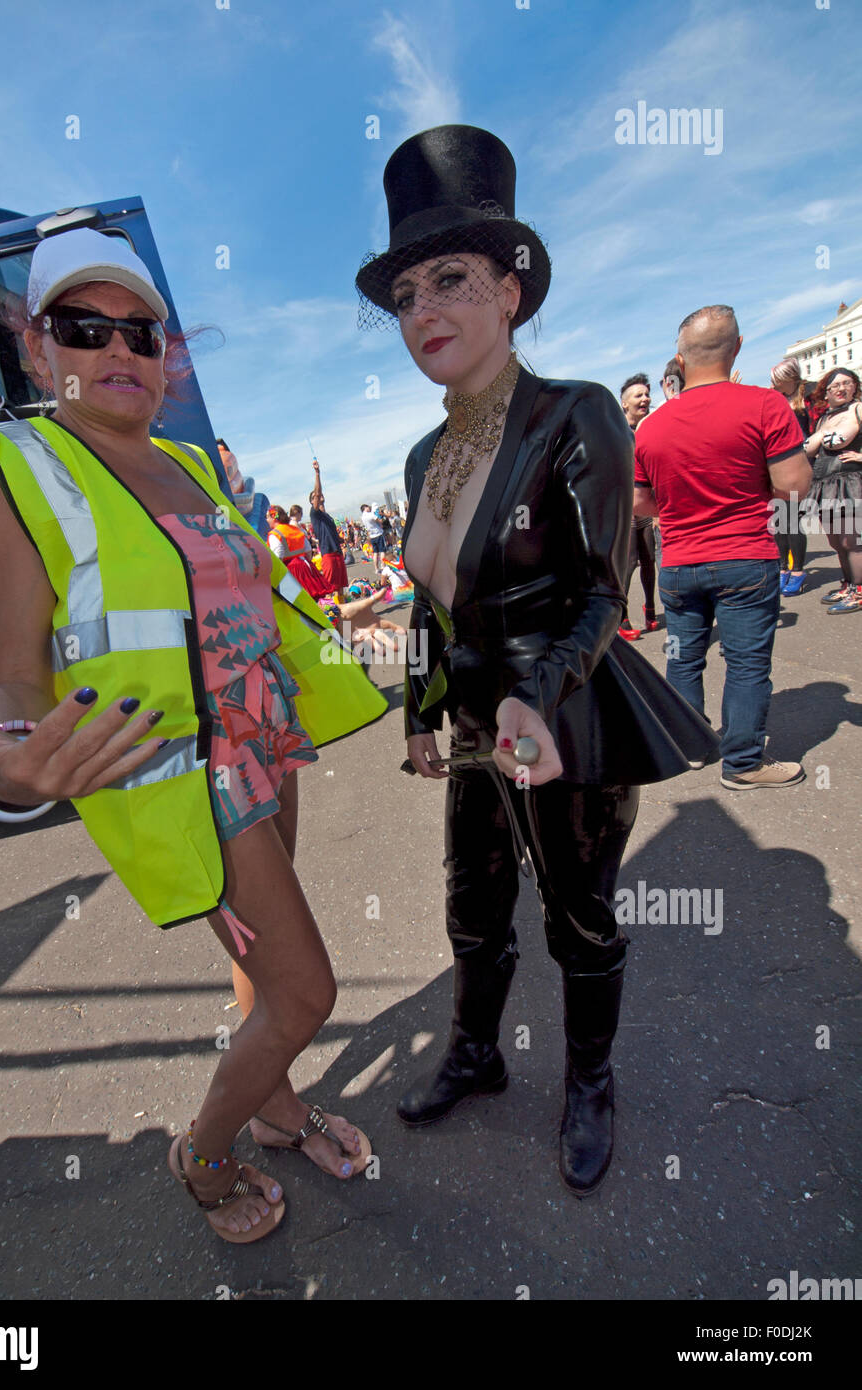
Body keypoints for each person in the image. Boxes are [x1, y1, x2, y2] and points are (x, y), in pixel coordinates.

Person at [0, 228, 390, 1244]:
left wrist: (350, 624)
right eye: (84, 329)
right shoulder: (7, 469)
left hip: (264, 735)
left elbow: (247, 593)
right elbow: (13, 671)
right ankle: (205, 1152)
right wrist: (9, 755)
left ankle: (272, 1105)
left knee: (263, 967)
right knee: (306, 988)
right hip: (181, 765)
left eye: (142, 330)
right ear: (39, 352)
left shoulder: (192, 459)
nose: (118, 350)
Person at [356, 125, 719, 1197]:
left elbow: (609, 592)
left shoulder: (579, 415)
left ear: (511, 291)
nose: (425, 311)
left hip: (567, 708)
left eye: (452, 280)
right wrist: (417, 711)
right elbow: (428, 599)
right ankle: (474, 1053)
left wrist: (538, 694)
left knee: (580, 910)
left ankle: (590, 1083)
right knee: (472, 897)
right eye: (408, 292)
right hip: (474, 717)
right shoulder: (426, 455)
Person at [634, 305, 812, 789]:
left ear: (680, 358)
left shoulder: (650, 427)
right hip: (744, 555)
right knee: (747, 662)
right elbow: (795, 486)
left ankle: (689, 748)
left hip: (679, 562)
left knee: (683, 657)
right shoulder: (763, 405)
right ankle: (744, 762)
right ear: (737, 348)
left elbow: (639, 503)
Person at [803, 367, 862, 613]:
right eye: (835, 385)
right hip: (825, 483)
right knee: (836, 542)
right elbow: (808, 449)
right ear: (825, 393)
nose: (841, 388)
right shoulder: (824, 417)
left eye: (847, 383)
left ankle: (859, 589)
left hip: (850, 482)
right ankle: (848, 584)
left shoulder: (857, 409)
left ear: (855, 386)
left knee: (852, 541)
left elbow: (822, 443)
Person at [619, 373, 657, 634]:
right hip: (623, 509)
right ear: (624, 403)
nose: (644, 399)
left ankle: (651, 609)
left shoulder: (651, 428)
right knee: (629, 562)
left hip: (646, 505)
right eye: (638, 395)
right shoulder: (615, 430)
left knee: (649, 559)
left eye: (646, 394)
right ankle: (621, 618)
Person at [769, 358, 811, 596]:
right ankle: (783, 567)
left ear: (791, 378)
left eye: (778, 380)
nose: (774, 384)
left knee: (792, 520)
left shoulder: (809, 399)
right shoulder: (777, 400)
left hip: (800, 465)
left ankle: (798, 570)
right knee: (779, 522)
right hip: (777, 467)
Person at [267, 502, 330, 598]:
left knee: (297, 601)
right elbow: (308, 548)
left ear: (273, 517)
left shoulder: (275, 534)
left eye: (268, 517)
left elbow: (278, 555)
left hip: (290, 569)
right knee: (313, 598)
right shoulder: (295, 529)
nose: (266, 520)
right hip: (305, 565)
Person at [309, 458, 350, 599]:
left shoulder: (327, 517)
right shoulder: (315, 514)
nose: (319, 496)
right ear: (312, 501)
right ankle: (332, 620)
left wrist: (342, 539)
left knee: (341, 591)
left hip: (337, 553)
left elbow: (333, 535)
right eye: (315, 496)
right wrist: (317, 473)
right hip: (328, 556)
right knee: (330, 590)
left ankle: (346, 622)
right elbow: (318, 492)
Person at [359, 503, 386, 573]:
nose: (369, 508)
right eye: (368, 507)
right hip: (378, 533)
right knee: (382, 551)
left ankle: (376, 569)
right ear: (365, 508)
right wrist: (381, 517)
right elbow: (380, 520)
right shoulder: (370, 515)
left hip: (372, 536)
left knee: (375, 553)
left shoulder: (362, 517)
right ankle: (383, 566)